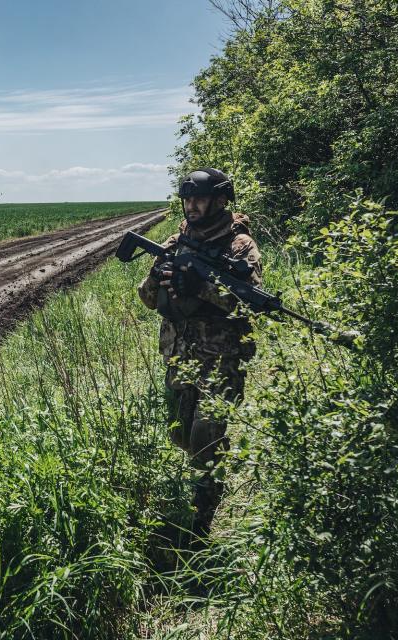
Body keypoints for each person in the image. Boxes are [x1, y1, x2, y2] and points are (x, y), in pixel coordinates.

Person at [137, 168, 261, 538]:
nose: (193, 205)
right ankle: (202, 489)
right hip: (178, 357)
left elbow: (248, 302)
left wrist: (202, 287)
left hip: (218, 359)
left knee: (205, 437)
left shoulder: (239, 246)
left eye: (200, 199)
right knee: (179, 434)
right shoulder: (177, 241)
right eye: (188, 199)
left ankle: (201, 522)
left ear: (221, 201)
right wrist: (158, 278)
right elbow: (146, 298)